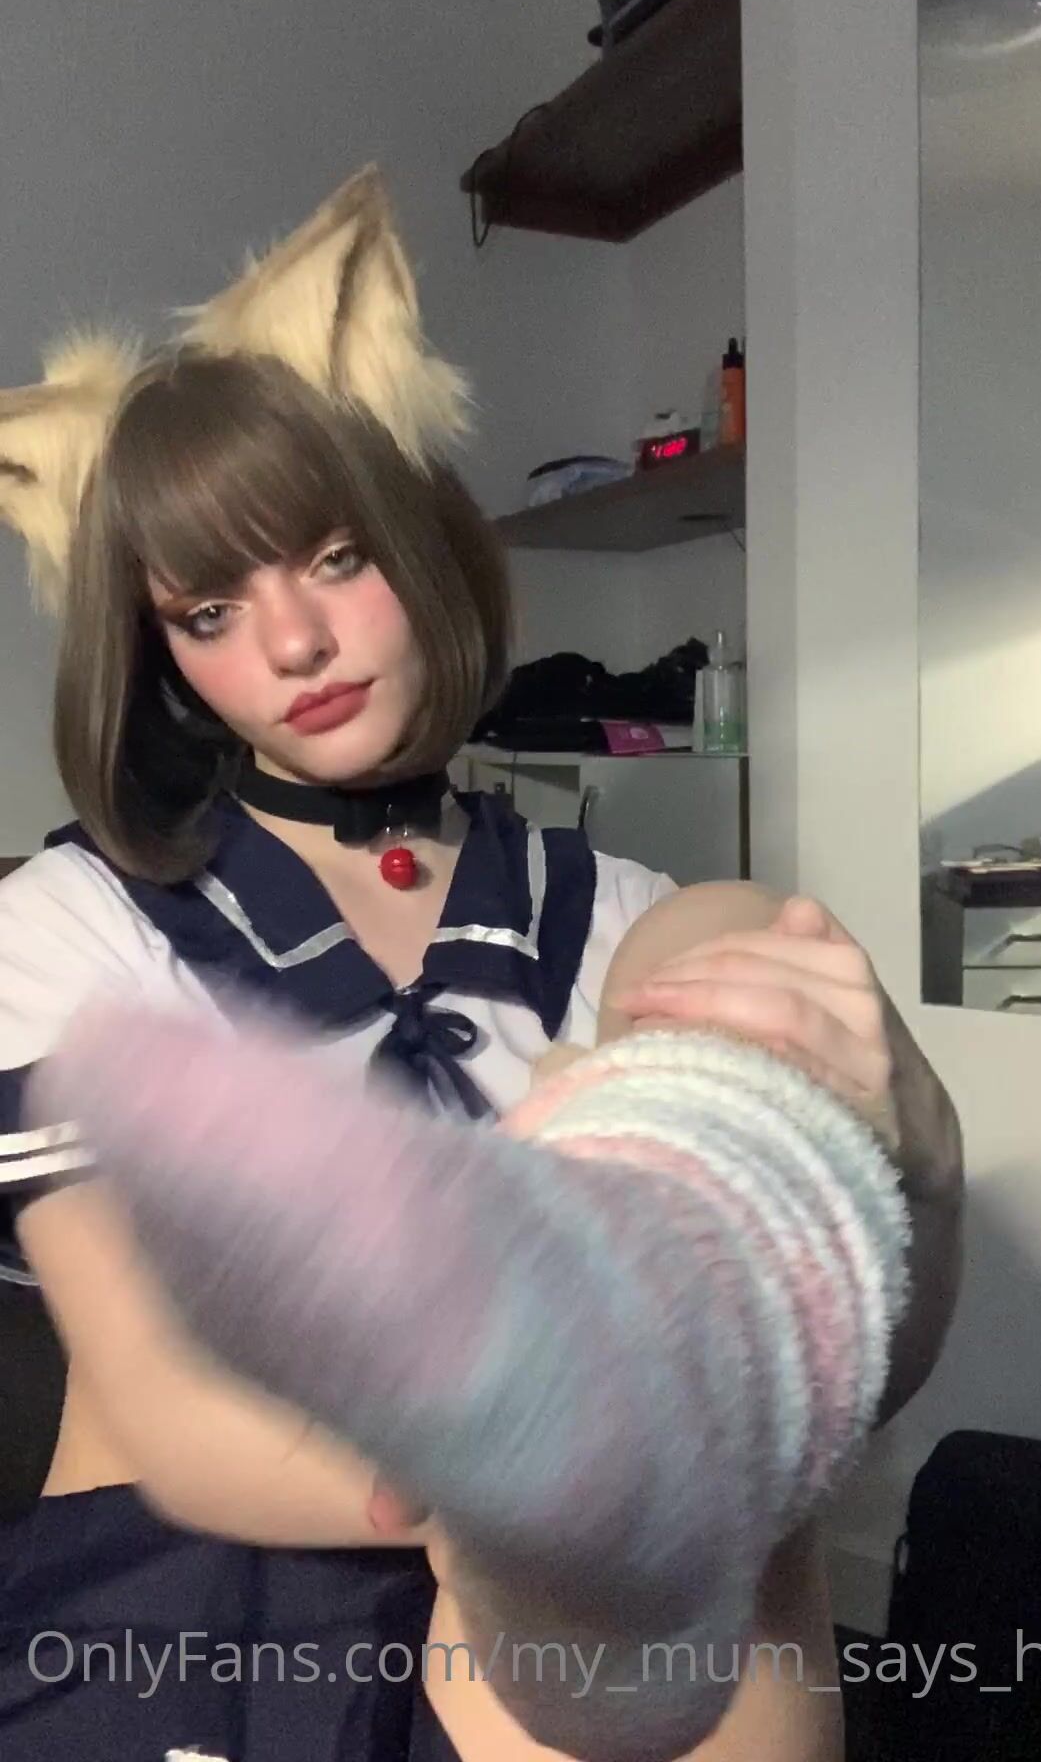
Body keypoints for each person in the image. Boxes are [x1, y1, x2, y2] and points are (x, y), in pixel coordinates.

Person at [0, 164, 963, 1762]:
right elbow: (168, 1408)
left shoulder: (623, 905)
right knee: (661, 1486)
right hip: (210, 1599)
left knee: (732, 948)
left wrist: (921, 1166)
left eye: (332, 558)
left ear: (423, 541)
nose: (293, 646)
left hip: (572, 1616)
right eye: (210, 609)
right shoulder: (66, 921)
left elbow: (848, 1374)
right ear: (158, 655)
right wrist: (537, 1467)